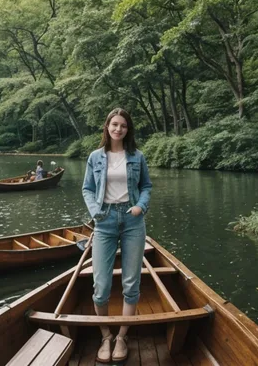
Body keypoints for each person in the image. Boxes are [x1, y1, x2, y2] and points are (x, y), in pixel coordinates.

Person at [82, 108, 152, 363]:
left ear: (127, 129)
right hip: (104, 221)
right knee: (100, 287)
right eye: (114, 124)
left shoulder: (137, 156)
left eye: (123, 125)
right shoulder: (95, 157)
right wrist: (95, 211)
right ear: (107, 127)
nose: (118, 129)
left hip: (133, 221)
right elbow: (87, 188)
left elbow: (146, 186)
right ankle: (105, 335)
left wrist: (141, 206)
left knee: (131, 284)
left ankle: (122, 336)